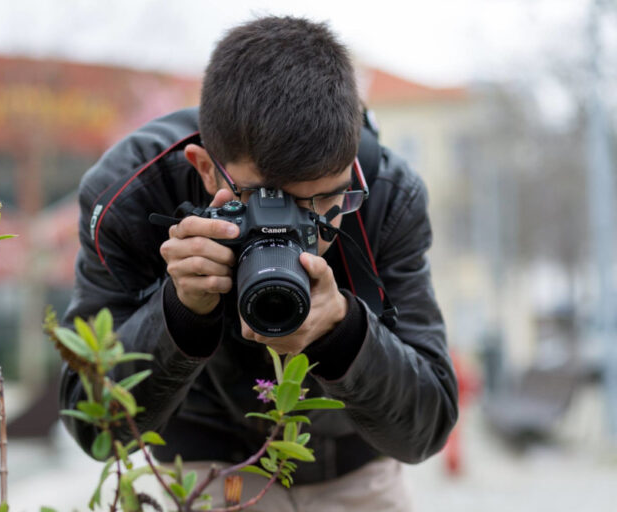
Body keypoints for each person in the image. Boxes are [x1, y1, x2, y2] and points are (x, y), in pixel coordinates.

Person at [59, 15, 458, 512]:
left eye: (325, 202)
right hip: (209, 469)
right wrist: (178, 313)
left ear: (350, 159)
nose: (298, 232)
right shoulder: (131, 195)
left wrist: (346, 331)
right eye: (267, 200)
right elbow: (93, 425)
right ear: (205, 169)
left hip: (352, 468)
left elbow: (428, 427)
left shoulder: (386, 195)